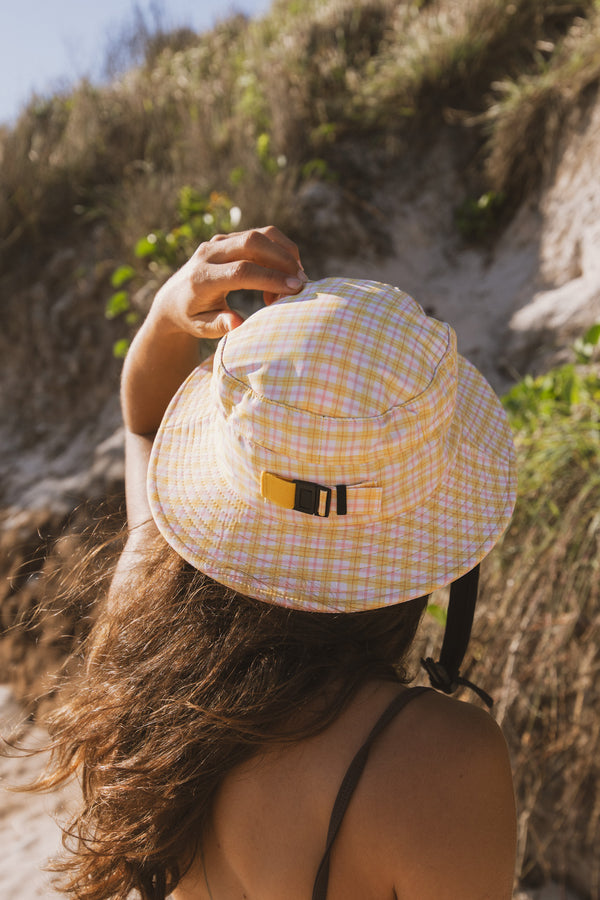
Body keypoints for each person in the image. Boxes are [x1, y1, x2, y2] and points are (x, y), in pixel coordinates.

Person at [39, 226, 518, 900]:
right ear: (425, 537)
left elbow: (143, 423)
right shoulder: (440, 761)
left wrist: (171, 309)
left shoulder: (143, 654)